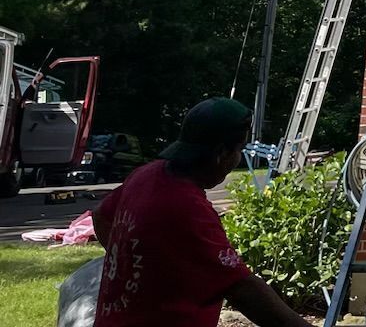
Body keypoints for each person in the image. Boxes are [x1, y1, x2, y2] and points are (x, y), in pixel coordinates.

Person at [90, 97, 305, 327]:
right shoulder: (188, 209)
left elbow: (101, 216)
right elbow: (242, 290)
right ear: (221, 153)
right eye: (239, 150)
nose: (238, 158)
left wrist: (134, 267)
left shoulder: (145, 176)